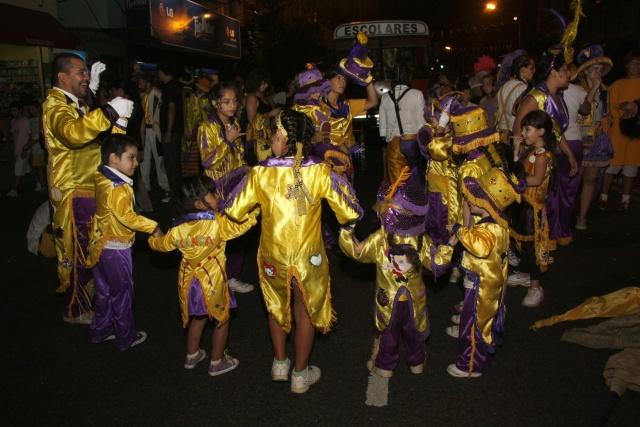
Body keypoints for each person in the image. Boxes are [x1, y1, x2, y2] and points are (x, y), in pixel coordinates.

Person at [224, 109, 362, 393]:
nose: (270, 142)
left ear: (284, 141)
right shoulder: (319, 171)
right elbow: (349, 211)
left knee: (276, 307)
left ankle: (279, 362)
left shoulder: (260, 173)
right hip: (308, 256)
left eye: (273, 136)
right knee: (304, 312)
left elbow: (234, 210)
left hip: (273, 255)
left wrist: (256, 214)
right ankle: (300, 374)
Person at [338, 168, 453, 406]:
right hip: (415, 297)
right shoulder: (420, 240)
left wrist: (346, 232)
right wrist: (450, 245)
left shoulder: (381, 240)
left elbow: (357, 252)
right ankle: (416, 363)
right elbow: (437, 263)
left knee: (388, 334)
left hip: (387, 298)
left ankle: (385, 366)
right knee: (414, 332)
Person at [43, 53, 132, 324]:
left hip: (86, 185)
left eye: (86, 73)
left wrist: (92, 93)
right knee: (79, 250)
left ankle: (89, 301)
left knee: (90, 246)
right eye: (81, 73)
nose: (86, 76)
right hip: (73, 190)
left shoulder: (70, 101)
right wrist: (108, 111)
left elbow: (86, 124)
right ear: (62, 77)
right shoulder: (54, 104)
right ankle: (77, 309)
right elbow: (73, 132)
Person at [148, 176, 259, 375]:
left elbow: (161, 245)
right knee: (222, 320)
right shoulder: (218, 223)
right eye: (213, 193)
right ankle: (217, 361)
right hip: (213, 282)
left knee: (197, 318)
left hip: (189, 283)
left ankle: (192, 355)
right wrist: (254, 210)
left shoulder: (177, 229)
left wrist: (154, 235)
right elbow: (241, 225)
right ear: (199, 203)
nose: (217, 196)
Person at [86, 134, 160, 350]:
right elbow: (127, 216)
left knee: (104, 291)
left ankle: (100, 330)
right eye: (131, 158)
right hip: (116, 248)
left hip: (99, 243)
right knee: (122, 293)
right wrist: (153, 226)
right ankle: (125, 336)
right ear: (113, 158)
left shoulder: (101, 176)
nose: (136, 163)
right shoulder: (118, 187)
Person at [445, 166, 520, 378]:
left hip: (481, 286)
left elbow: (480, 247)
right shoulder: (499, 224)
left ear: (486, 204)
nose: (469, 200)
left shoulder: (488, 230)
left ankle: (469, 366)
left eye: (475, 197)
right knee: (478, 323)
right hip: (487, 283)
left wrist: (459, 231)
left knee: (474, 326)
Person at [513, 50, 579, 246]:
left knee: (548, 199)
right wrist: (526, 159)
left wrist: (570, 156)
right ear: (553, 72)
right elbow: (518, 130)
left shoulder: (557, 96)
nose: (569, 74)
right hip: (534, 159)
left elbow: (557, 132)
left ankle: (544, 241)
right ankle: (528, 249)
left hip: (549, 156)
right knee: (533, 204)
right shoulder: (536, 97)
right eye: (565, 70)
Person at [198, 81, 254, 295]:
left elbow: (237, 157)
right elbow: (207, 161)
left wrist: (245, 168)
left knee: (239, 233)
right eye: (226, 102)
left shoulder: (235, 126)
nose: (232, 106)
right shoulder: (207, 127)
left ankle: (231, 276)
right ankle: (215, 278)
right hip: (217, 190)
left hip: (235, 187)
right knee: (219, 237)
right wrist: (227, 142)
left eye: (234, 101)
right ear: (215, 103)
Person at [509, 110, 556, 307]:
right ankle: (525, 274)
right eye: (524, 129)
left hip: (532, 209)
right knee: (519, 243)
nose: (524, 133)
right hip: (522, 205)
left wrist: (513, 179)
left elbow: (536, 179)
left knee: (532, 248)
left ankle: (535, 286)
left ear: (541, 131)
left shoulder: (543, 155)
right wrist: (516, 150)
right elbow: (516, 167)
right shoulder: (530, 151)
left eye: (528, 129)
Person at [316, 32, 379, 178]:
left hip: (347, 160)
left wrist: (367, 79)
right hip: (326, 163)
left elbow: (374, 101)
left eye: (344, 80)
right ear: (328, 81)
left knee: (349, 196)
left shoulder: (347, 105)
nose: (342, 82)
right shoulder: (317, 106)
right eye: (337, 78)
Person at [572, 46, 614, 230]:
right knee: (574, 180)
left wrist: (607, 119)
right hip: (577, 140)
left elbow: (607, 113)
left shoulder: (605, 91)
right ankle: (565, 213)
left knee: (590, 180)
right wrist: (594, 88)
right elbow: (581, 111)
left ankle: (582, 216)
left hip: (595, 142)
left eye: (600, 69)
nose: (598, 72)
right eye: (594, 69)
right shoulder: (575, 89)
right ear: (586, 71)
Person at [599, 50, 640, 212]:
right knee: (612, 165)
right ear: (627, 65)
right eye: (634, 63)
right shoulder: (616, 85)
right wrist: (624, 108)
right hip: (617, 131)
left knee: (632, 166)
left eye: (639, 64)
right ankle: (603, 196)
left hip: (637, 132)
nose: (637, 66)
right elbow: (610, 108)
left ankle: (626, 199)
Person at [378, 62, 426, 184]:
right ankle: (417, 201)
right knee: (417, 178)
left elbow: (383, 127)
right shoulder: (417, 94)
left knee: (397, 182)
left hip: (394, 144)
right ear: (409, 78)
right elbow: (422, 123)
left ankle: (398, 202)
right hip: (413, 142)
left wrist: (388, 137)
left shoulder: (385, 97)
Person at [138, 72, 170, 201]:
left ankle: (166, 188)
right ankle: (146, 187)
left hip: (155, 131)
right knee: (144, 160)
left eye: (141, 82)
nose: (139, 84)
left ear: (148, 82)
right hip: (146, 130)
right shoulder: (143, 95)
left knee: (159, 161)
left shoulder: (157, 94)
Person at [495, 52, 535, 144]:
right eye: (531, 68)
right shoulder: (523, 89)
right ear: (522, 70)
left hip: (501, 134)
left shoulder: (503, 87)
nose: (534, 71)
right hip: (515, 136)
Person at [158, 63, 184, 201]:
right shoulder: (173, 86)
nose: (158, 75)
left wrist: (168, 131)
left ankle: (175, 194)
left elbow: (171, 109)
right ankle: (177, 192)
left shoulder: (171, 87)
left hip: (172, 131)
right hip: (174, 131)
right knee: (173, 162)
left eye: (159, 72)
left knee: (171, 163)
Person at [243, 68, 281, 163]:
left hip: (266, 136)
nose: (266, 85)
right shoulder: (252, 97)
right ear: (256, 82)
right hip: (256, 139)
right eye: (264, 83)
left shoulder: (264, 96)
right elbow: (251, 121)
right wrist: (270, 114)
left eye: (267, 83)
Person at [7, 101, 31, 197]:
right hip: (18, 149)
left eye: (15, 110)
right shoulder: (13, 121)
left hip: (25, 148)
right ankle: (39, 183)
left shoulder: (25, 121)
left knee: (18, 168)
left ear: (20, 110)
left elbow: (30, 135)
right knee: (26, 169)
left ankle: (14, 189)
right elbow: (14, 136)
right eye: (12, 111)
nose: (13, 113)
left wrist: (26, 148)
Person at [27, 101, 46, 192]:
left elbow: (38, 135)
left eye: (33, 109)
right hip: (34, 147)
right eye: (30, 110)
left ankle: (42, 185)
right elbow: (31, 134)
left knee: (40, 168)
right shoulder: (31, 120)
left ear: (39, 108)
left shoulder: (41, 119)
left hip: (39, 147)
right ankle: (40, 184)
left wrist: (29, 144)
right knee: (36, 167)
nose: (31, 111)